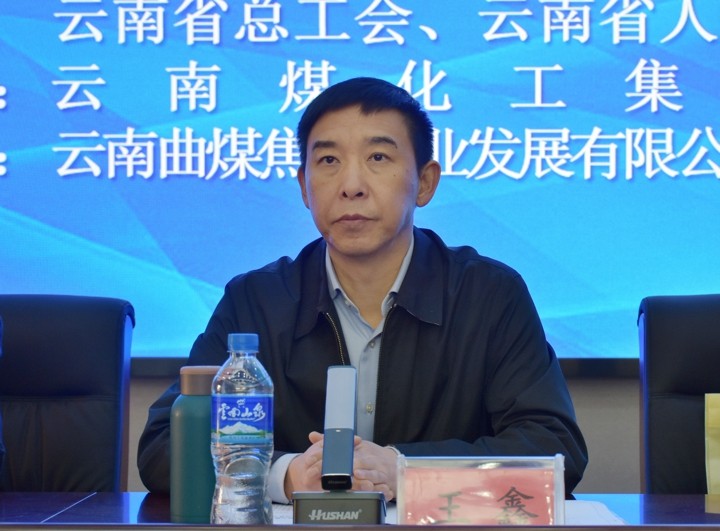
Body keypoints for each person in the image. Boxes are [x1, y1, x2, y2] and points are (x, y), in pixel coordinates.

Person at [138, 76, 588, 502]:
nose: (351, 186)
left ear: (425, 182)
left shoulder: (489, 295)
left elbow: (554, 449)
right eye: (328, 161)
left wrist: (405, 470)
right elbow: (164, 445)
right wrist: (285, 474)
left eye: (378, 158)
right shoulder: (256, 300)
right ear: (304, 187)